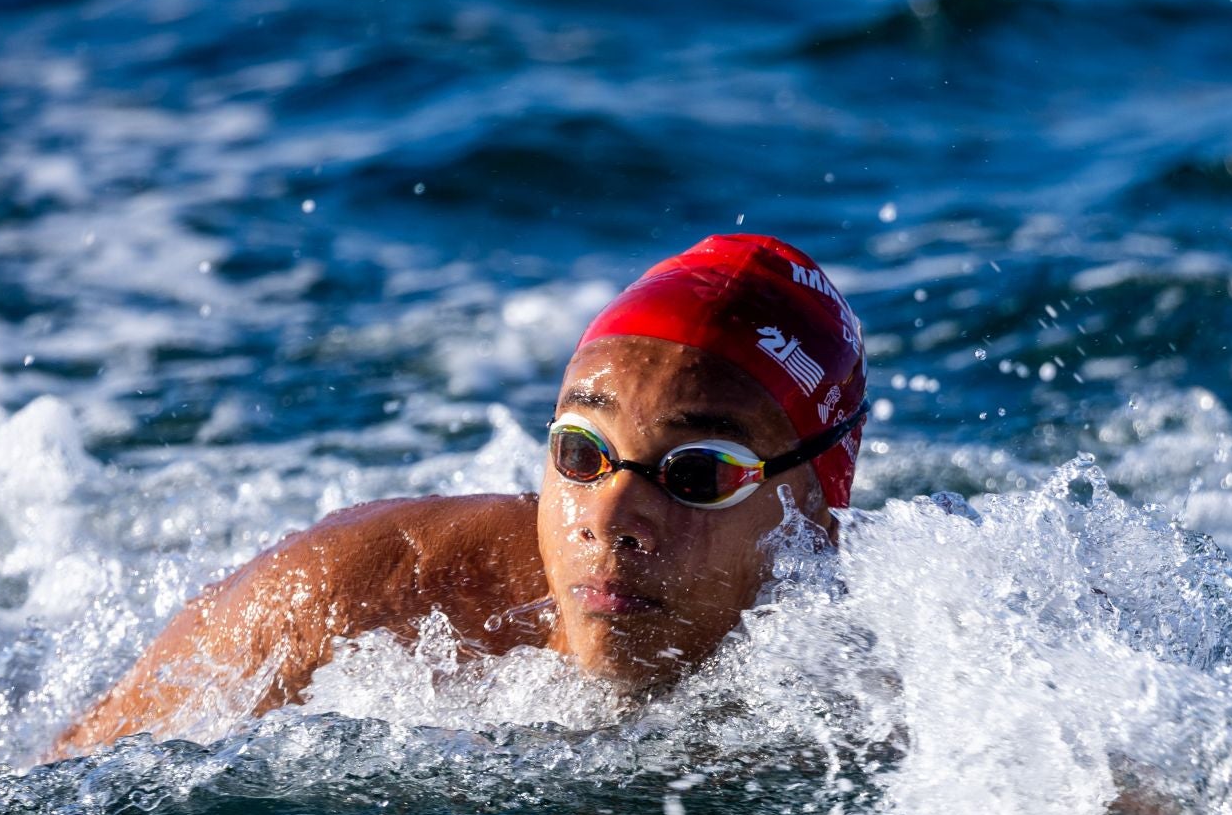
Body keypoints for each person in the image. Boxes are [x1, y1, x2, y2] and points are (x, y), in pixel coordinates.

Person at [49, 234, 868, 757]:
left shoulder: (900, 694)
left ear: (815, 516)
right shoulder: (356, 599)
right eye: (582, 454)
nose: (611, 519)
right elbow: (56, 796)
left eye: (697, 474)